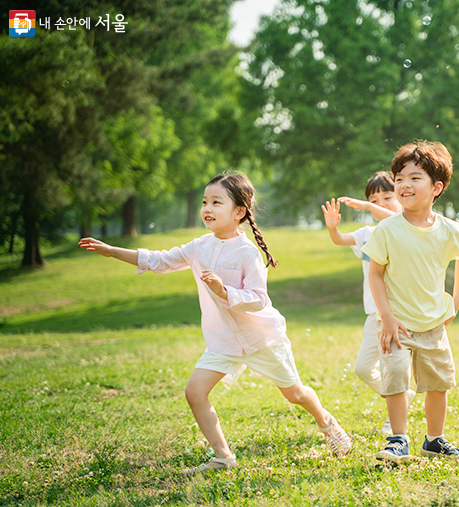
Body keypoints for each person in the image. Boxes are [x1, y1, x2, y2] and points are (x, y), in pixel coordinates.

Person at [79, 172, 351, 474]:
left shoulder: (247, 252)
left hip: (261, 339)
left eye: (216, 202)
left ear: (239, 212)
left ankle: (327, 423)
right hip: (224, 342)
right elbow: (158, 260)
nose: (207, 208)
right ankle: (223, 456)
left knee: (295, 394)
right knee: (194, 392)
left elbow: (259, 298)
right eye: (205, 201)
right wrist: (110, 250)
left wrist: (225, 291)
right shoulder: (199, 247)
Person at [362, 141, 459, 463]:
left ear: (436, 187)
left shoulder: (449, 230)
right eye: (399, 178)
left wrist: (454, 303)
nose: (403, 185)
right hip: (397, 321)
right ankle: (398, 439)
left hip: (433, 323)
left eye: (414, 178)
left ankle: (434, 440)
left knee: (438, 383)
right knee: (395, 376)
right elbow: (375, 275)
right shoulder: (386, 229)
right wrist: (386, 317)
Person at [320, 172, 415, 434]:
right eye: (374, 199)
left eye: (387, 197)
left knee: (390, 368)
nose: (381, 203)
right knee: (363, 368)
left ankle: (394, 419)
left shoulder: (403, 228)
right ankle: (403, 396)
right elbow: (340, 239)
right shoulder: (366, 233)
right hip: (372, 314)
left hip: (395, 314)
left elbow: (394, 217)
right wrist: (332, 227)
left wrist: (366, 206)